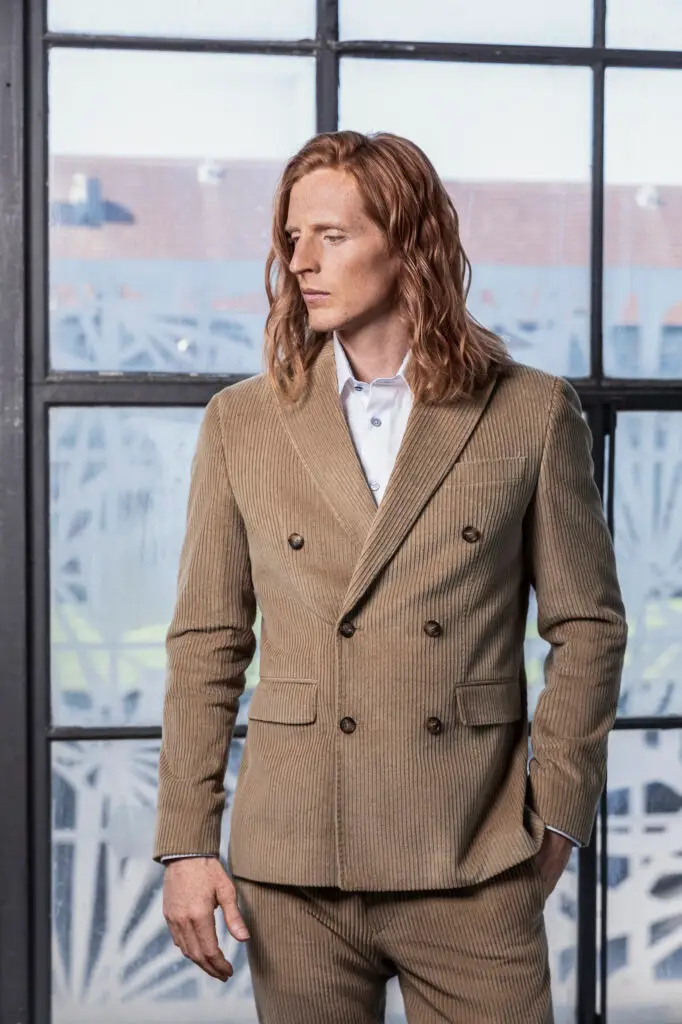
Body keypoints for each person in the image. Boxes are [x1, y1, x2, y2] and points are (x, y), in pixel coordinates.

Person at [153, 130, 627, 1023]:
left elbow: (589, 626)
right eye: (292, 238)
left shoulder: (528, 410)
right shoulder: (243, 422)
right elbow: (208, 640)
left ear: (411, 243)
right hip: (293, 862)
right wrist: (185, 842)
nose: (300, 262)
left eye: (331, 236)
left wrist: (557, 814)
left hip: (471, 852)